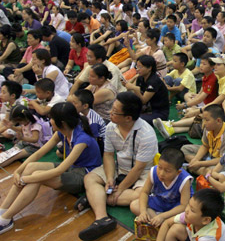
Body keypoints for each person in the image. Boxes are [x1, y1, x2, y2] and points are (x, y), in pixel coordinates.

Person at [0, 102, 102, 235]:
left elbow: (59, 170)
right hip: (71, 167)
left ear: (63, 123)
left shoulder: (82, 139)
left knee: (36, 178)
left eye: (52, 118)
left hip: (85, 175)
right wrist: (18, 172)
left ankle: (5, 220)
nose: (49, 121)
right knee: (31, 167)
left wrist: (25, 179)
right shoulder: (63, 131)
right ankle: (3, 210)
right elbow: (38, 153)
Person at [78, 92, 158, 241]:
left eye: (115, 112)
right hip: (120, 167)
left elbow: (139, 168)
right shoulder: (111, 127)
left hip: (143, 172)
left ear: (128, 118)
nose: (110, 113)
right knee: (90, 178)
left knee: (139, 196)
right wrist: (109, 178)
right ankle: (102, 218)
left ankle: (96, 197)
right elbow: (108, 155)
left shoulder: (146, 134)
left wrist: (119, 189)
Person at [130, 148, 193, 228]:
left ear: (178, 172)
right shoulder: (154, 171)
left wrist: (162, 216)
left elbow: (183, 206)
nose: (161, 173)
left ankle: (161, 221)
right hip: (160, 202)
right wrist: (143, 212)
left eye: (167, 171)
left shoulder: (184, 180)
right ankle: (161, 222)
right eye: (160, 167)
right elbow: (144, 192)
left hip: (176, 207)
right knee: (134, 205)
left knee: (184, 220)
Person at [181, 104, 225, 176]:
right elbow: (205, 146)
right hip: (210, 154)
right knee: (184, 149)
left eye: (207, 120)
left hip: (223, 162)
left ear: (218, 120)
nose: (204, 123)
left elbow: (223, 159)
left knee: (213, 171)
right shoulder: (208, 128)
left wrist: (200, 163)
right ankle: (196, 168)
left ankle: (194, 168)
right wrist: (196, 159)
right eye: (203, 119)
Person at [156, 189, 225, 241]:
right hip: (195, 236)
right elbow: (167, 223)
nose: (186, 210)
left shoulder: (208, 237)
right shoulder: (190, 215)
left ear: (205, 220)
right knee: (175, 228)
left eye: (192, 210)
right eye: (189, 204)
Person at [123, 55, 169, 124]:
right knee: (123, 113)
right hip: (145, 109)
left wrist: (134, 88)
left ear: (149, 68)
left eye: (140, 67)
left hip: (158, 112)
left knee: (134, 120)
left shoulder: (154, 81)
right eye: (137, 66)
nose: (137, 69)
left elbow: (143, 100)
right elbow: (136, 96)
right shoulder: (140, 78)